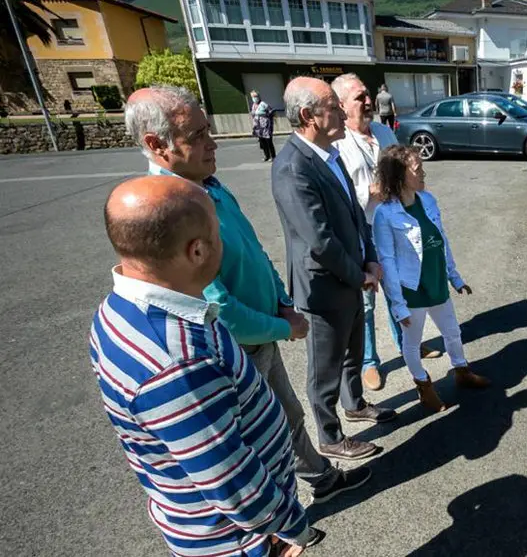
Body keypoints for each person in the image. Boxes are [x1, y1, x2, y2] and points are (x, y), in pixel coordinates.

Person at [124, 85, 371, 504]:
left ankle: (319, 481)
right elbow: (216, 303)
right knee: (259, 435)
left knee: (286, 416)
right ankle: (276, 522)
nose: (212, 142)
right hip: (237, 348)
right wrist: (282, 325)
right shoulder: (171, 211)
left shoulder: (206, 186)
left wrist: (279, 300)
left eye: (208, 130)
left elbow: (253, 250)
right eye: (197, 135)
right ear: (156, 145)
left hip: (261, 337)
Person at [89, 174, 324, 556]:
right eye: (219, 235)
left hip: (228, 524)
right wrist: (289, 525)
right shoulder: (178, 363)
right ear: (197, 251)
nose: (223, 244)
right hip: (240, 539)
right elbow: (231, 482)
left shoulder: (120, 309)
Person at [272, 76, 396, 461]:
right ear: (308, 115)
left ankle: (355, 404)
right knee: (324, 369)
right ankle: (330, 435)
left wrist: (370, 257)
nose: (343, 112)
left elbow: (357, 214)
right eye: (333, 106)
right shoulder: (293, 167)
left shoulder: (331, 152)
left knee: (352, 352)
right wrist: (359, 275)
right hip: (324, 286)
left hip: (352, 274)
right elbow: (319, 240)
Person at [331, 73, 441, 392]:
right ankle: (369, 361)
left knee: (399, 289)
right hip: (360, 231)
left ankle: (408, 344)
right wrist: (371, 191)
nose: (368, 102)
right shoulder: (336, 142)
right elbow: (339, 193)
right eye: (359, 98)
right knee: (366, 301)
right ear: (341, 105)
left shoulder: (382, 131)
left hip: (394, 226)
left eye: (368, 95)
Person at [373, 145, 490, 412]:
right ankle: (424, 387)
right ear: (400, 176)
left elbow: (441, 241)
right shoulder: (385, 213)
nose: (424, 172)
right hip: (413, 289)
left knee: (452, 332)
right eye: (417, 169)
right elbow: (387, 262)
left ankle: (461, 371)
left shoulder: (428, 200)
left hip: (437, 282)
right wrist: (398, 304)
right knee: (412, 343)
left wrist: (454, 276)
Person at [251, 90, 277, 161]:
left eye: (255, 96)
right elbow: (253, 116)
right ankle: (267, 156)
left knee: (269, 142)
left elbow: (271, 112)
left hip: (266, 127)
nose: (254, 98)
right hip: (258, 128)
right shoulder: (253, 106)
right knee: (262, 143)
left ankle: (273, 156)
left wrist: (267, 116)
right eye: (253, 96)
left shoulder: (263, 104)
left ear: (258, 96)